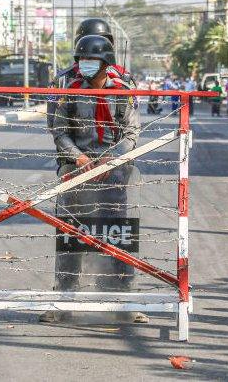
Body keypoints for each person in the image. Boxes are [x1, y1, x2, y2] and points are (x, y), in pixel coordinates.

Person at [46, 34, 144, 324]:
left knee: (117, 236)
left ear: (106, 63)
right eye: (82, 61)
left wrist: (110, 160)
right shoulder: (70, 92)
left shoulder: (123, 91)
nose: (85, 66)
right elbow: (59, 130)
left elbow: (131, 133)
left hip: (113, 174)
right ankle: (62, 301)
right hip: (77, 171)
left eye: (92, 61)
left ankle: (124, 301)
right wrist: (79, 158)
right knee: (70, 237)